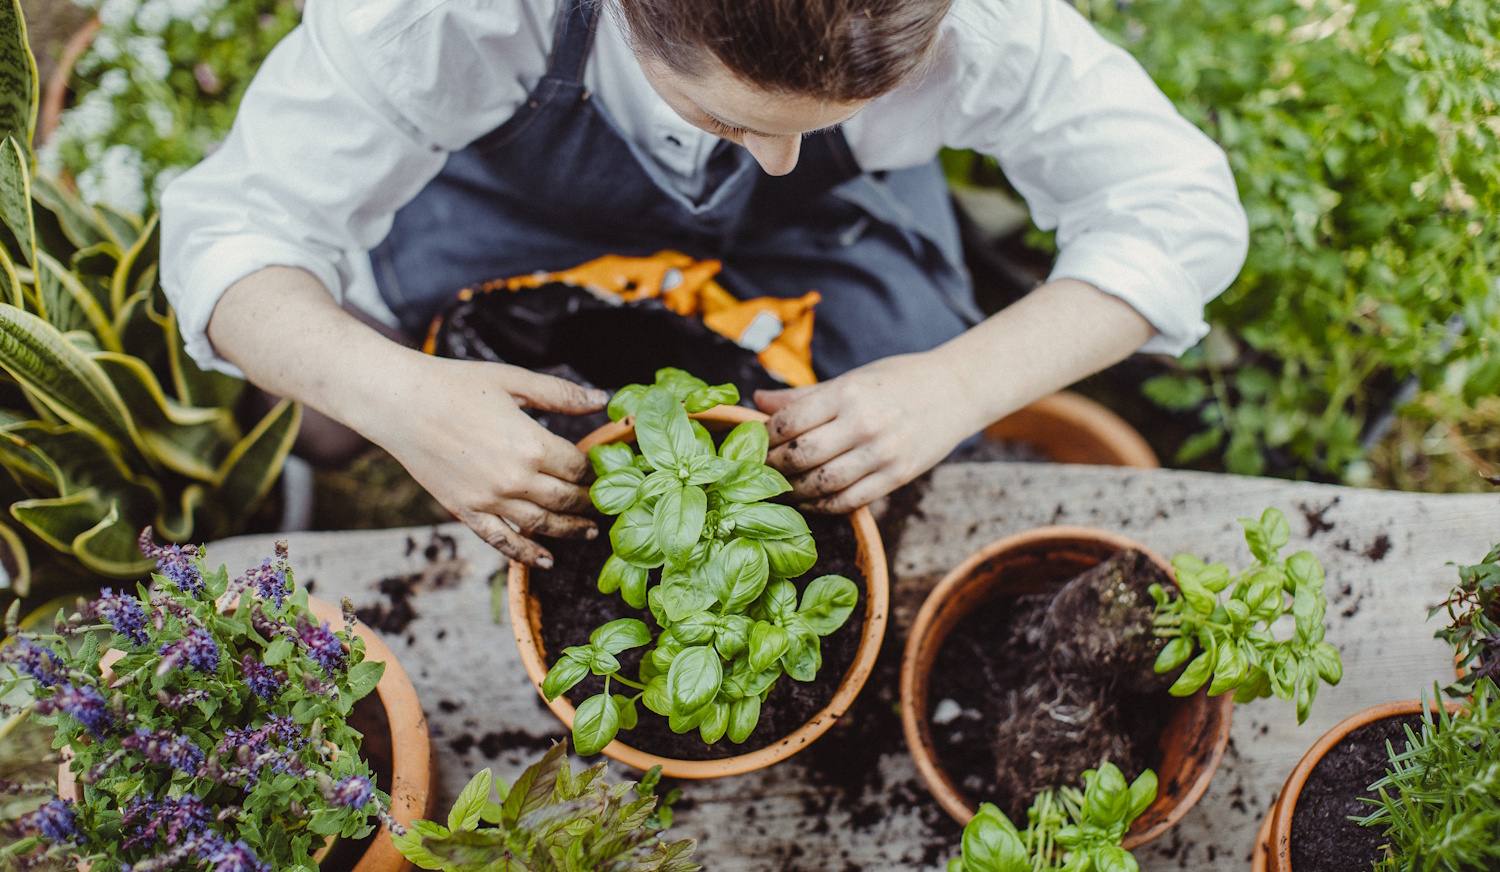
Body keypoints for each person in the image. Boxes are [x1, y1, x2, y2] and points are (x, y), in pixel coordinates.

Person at [160, 0, 1248, 569]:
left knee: (891, 444)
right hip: (509, 204)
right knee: (336, 380)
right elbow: (233, 235)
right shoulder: (446, 13)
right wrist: (392, 396)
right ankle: (312, 473)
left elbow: (1182, 211)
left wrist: (957, 383)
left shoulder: (983, 23)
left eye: (816, 125)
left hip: (818, 230)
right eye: (729, 121)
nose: (767, 154)